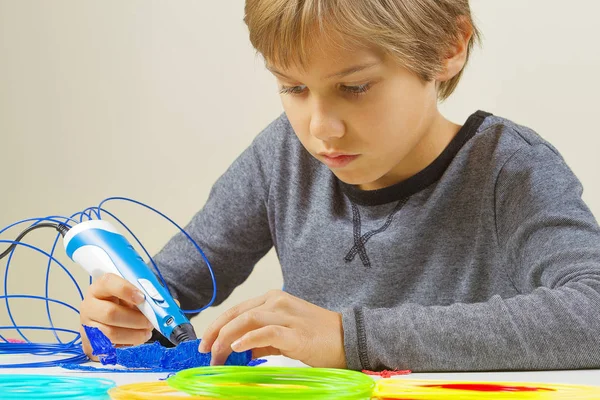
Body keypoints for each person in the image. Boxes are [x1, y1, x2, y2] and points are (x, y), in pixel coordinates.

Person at [79, 0, 600, 371]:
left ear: (448, 47)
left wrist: (348, 338)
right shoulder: (282, 154)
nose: (320, 128)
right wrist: (127, 315)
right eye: (293, 87)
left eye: (355, 87)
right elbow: (167, 292)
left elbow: (592, 312)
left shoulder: (510, 170)